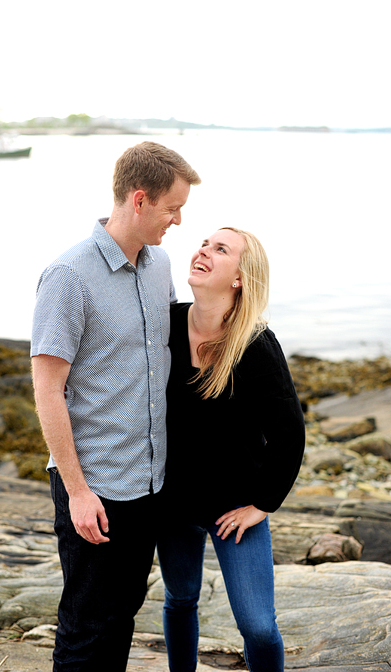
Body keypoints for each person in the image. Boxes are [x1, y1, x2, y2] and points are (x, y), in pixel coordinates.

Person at [31, 141, 201, 671]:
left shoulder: (160, 265)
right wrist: (79, 492)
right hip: (96, 487)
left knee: (123, 614)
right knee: (85, 625)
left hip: (149, 483)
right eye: (173, 208)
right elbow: (47, 389)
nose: (178, 220)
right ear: (140, 199)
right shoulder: (68, 278)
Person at [157, 228, 305, 671]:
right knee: (180, 599)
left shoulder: (255, 343)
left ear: (239, 278)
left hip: (235, 505)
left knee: (258, 625)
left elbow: (290, 431)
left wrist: (262, 503)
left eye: (220, 249)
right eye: (205, 243)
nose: (204, 250)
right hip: (172, 501)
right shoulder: (164, 324)